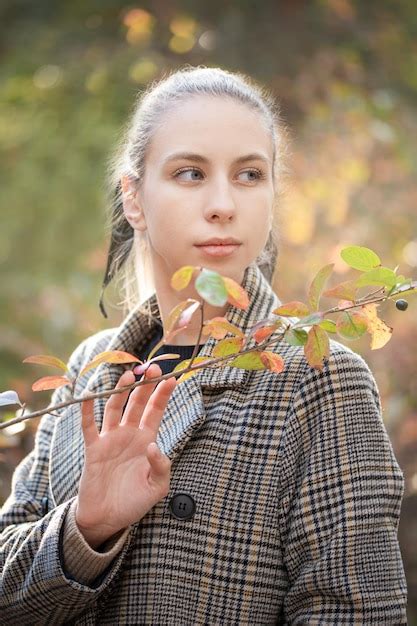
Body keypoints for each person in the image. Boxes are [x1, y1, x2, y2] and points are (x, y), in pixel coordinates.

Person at [0, 66, 407, 625]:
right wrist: (86, 529)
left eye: (249, 175)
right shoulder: (87, 377)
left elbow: (355, 613)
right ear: (134, 198)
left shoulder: (320, 379)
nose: (223, 204)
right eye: (190, 173)